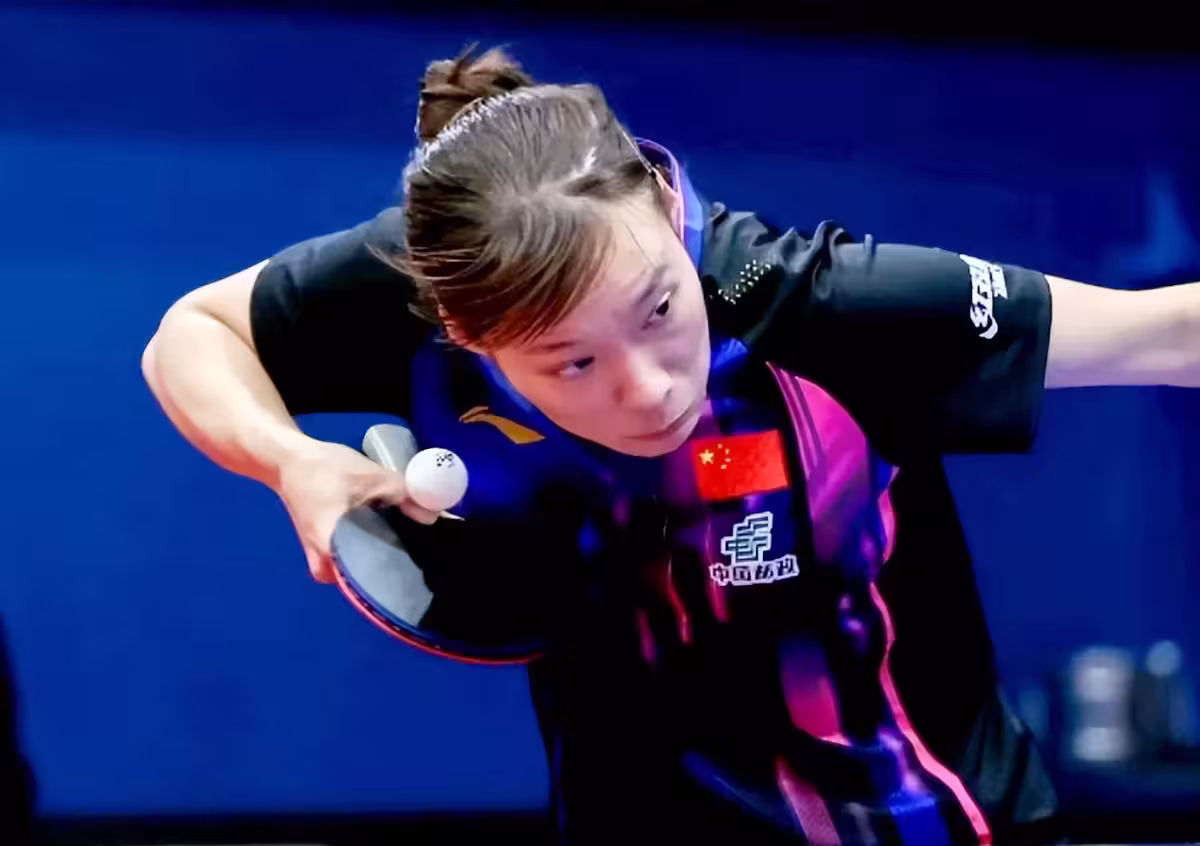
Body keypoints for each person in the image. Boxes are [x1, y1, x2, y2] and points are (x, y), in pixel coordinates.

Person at [141, 46, 1200, 846]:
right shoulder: (424, 288)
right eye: (571, 363)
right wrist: (288, 459)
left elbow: (1168, 334)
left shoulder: (825, 309)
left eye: (657, 310)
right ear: (465, 334)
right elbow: (193, 334)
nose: (649, 389)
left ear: (661, 202)